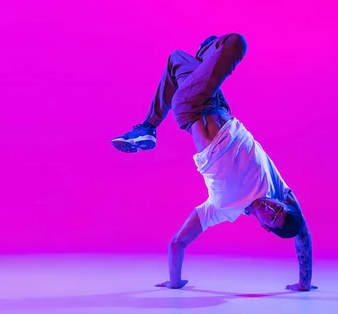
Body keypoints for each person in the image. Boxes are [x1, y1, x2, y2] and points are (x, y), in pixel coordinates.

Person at [111, 34, 316, 292]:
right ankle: (148, 127)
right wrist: (304, 284)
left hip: (191, 106)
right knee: (176, 60)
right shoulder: (274, 186)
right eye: (278, 207)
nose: (270, 208)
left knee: (235, 44)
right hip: (218, 104)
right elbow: (302, 232)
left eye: (271, 217)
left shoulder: (223, 208)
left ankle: (155, 119)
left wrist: (175, 283)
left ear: (264, 227)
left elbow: (178, 243)